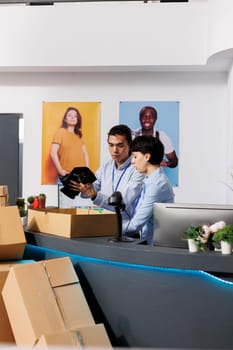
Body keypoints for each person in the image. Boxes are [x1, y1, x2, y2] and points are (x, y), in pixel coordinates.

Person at [70, 124, 144, 226]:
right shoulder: (106, 167)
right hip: (104, 226)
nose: (115, 150)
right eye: (111, 145)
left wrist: (94, 195)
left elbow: (123, 202)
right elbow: (93, 188)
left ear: (130, 145)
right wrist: (82, 187)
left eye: (120, 145)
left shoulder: (138, 168)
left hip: (127, 230)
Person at [123, 135, 174, 245]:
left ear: (147, 157)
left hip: (156, 247)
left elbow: (136, 224)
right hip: (148, 242)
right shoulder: (150, 180)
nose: (132, 162)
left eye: (135, 157)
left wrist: (109, 230)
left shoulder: (157, 184)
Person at [50, 106, 89, 178]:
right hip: (67, 175)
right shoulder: (61, 132)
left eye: (75, 116)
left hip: (81, 176)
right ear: (65, 119)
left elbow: (85, 154)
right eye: (69, 115)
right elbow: (53, 152)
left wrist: (87, 170)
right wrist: (60, 171)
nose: (72, 117)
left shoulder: (79, 136)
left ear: (78, 119)